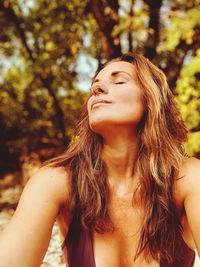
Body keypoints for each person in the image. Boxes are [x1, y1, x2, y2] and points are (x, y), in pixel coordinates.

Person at [0, 52, 200, 267]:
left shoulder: (188, 177)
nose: (97, 89)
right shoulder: (55, 181)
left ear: (151, 98)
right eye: (95, 85)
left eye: (119, 80)